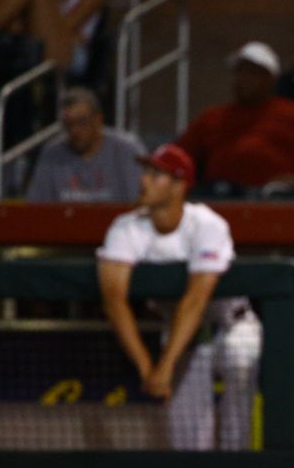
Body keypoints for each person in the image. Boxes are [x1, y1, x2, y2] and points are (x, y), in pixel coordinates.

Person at [96, 144, 261, 450]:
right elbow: (114, 300)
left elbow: (196, 300)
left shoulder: (207, 224)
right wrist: (148, 369)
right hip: (182, 333)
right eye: (146, 171)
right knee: (187, 441)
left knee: (240, 363)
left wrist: (165, 366)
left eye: (155, 174)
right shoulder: (126, 227)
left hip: (230, 325)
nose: (144, 180)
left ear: (179, 184)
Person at [176, 42, 294, 195]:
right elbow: (178, 156)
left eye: (252, 73)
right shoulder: (212, 116)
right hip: (221, 198)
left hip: (277, 200)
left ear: (270, 79)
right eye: (239, 72)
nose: (243, 79)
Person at [26, 87, 146, 202]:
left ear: (98, 119)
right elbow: (36, 207)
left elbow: (142, 202)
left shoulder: (127, 150)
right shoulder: (51, 154)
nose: (75, 131)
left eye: (81, 122)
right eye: (69, 124)